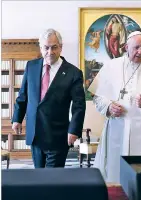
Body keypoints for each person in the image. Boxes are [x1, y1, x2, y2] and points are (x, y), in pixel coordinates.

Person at [88, 31, 141, 183]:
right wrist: (108, 106)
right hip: (116, 131)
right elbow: (98, 97)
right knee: (114, 172)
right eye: (136, 47)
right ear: (126, 47)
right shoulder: (110, 67)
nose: (140, 52)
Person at [12, 28, 86, 168]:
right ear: (41, 47)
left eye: (54, 47)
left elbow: (79, 105)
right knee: (39, 178)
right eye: (46, 48)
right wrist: (17, 118)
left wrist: (74, 130)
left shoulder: (73, 73)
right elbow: (23, 95)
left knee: (53, 180)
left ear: (61, 48)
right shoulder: (31, 66)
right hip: (35, 133)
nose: (50, 52)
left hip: (58, 135)